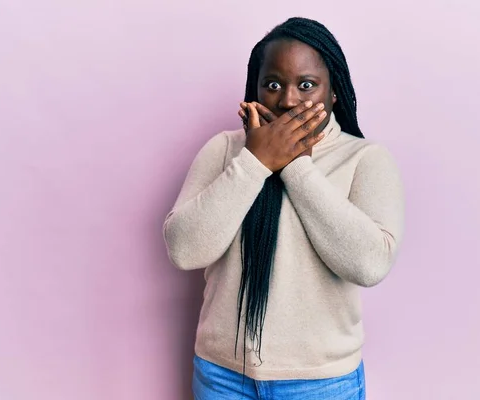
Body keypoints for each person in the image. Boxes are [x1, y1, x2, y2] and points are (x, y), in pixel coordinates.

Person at [163, 16, 404, 400]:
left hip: (322, 383)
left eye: (306, 85)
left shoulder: (365, 159)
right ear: (255, 89)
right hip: (222, 377)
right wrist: (255, 161)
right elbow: (183, 249)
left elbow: (370, 265)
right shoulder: (225, 150)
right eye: (273, 84)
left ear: (334, 92)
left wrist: (295, 165)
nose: (289, 99)